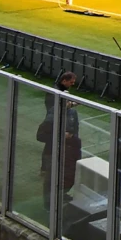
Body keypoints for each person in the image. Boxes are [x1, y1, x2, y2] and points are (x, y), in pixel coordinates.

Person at [40, 71, 80, 210]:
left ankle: (59, 192)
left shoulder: (59, 91)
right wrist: (68, 105)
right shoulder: (54, 92)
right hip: (54, 126)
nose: (72, 84)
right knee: (50, 147)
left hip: (58, 127)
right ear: (64, 80)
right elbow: (54, 108)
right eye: (71, 82)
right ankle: (45, 170)